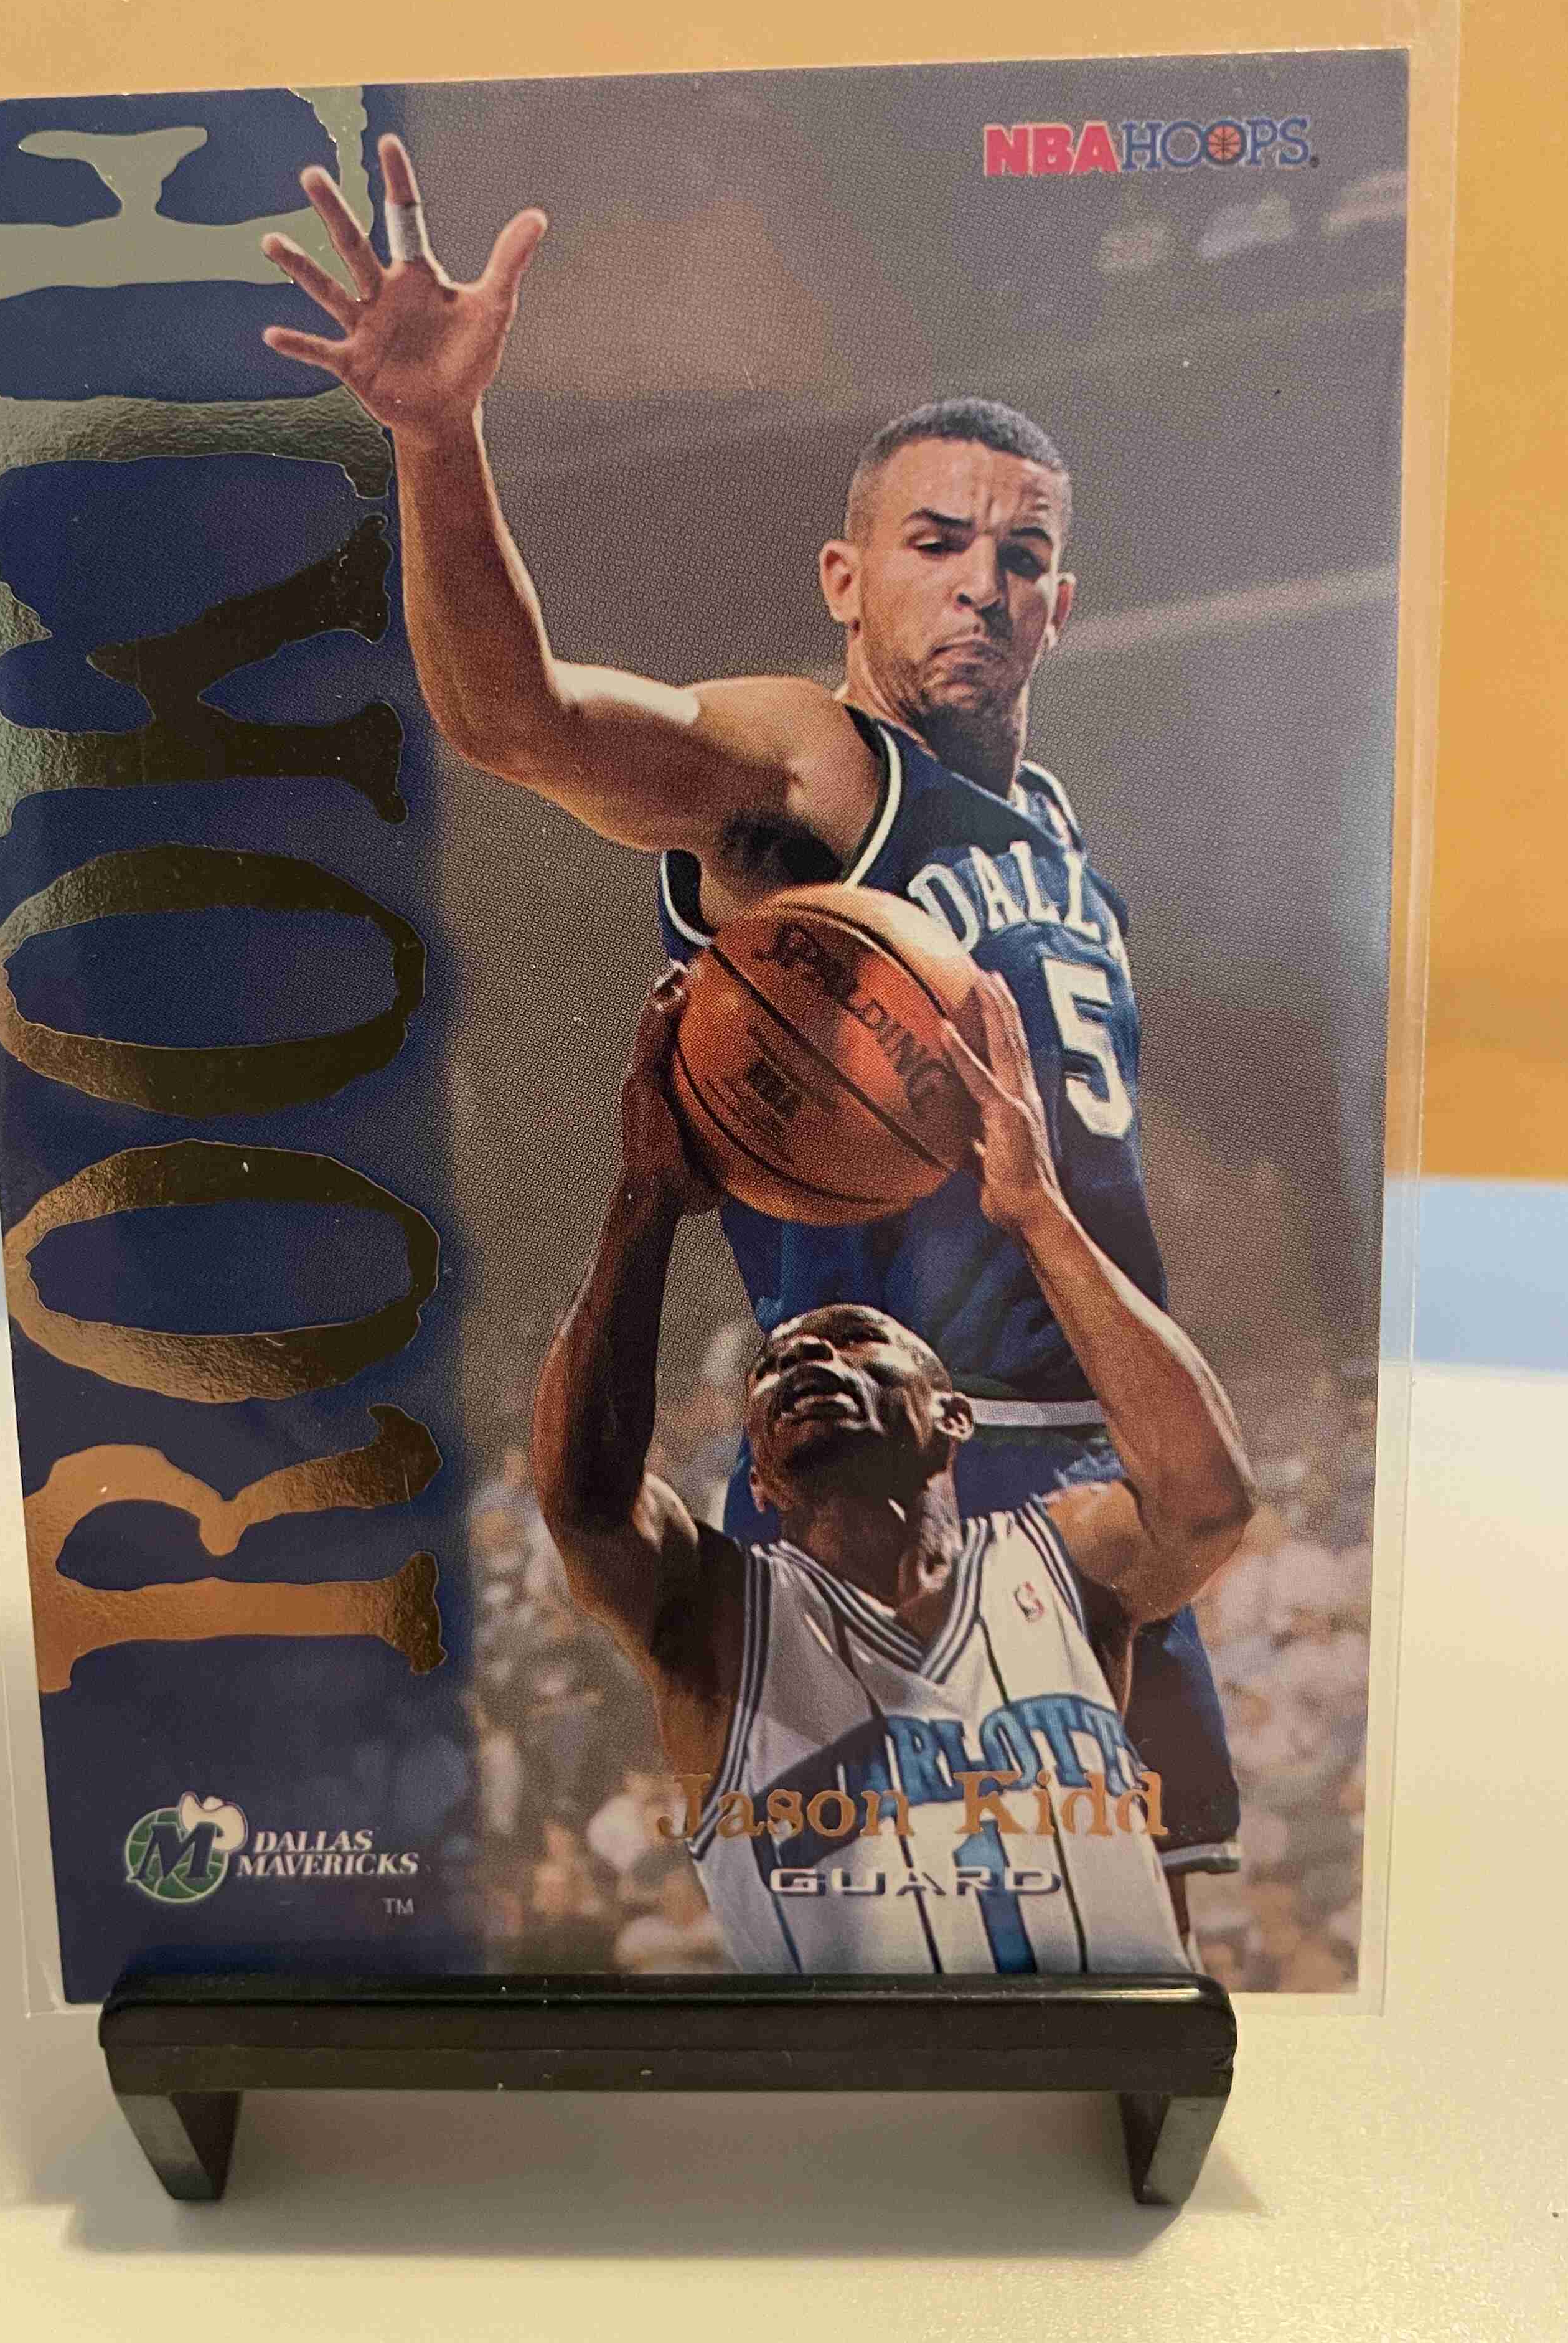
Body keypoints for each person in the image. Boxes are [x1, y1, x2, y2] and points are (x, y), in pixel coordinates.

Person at [259, 133, 1237, 1883]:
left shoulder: (1064, 836)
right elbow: (522, 722)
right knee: (855, 1953)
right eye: (936, 543)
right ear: (845, 580)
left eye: (1023, 555)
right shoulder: (813, 762)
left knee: (1147, 1949)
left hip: (1103, 1486)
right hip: (877, 1485)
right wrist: (438, 440)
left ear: (1061, 607)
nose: (983, 580)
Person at [526, 965, 1253, 1973]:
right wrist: (645, 1201)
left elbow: (1209, 1501)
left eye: (856, 1343)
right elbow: (585, 1502)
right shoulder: (722, 1620)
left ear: (954, 1417)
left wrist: (1038, 1211)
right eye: (775, 1367)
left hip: (1093, 2061)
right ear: (760, 1481)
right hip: (860, 2074)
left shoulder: (1062, 1565)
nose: (805, 1362)